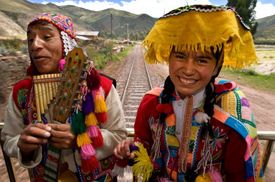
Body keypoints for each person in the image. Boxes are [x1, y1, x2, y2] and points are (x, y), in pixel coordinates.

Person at [114, 5, 263, 182]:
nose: (188, 70)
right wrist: (130, 150)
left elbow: (241, 176)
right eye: (180, 56)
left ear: (217, 65)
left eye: (202, 60)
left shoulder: (234, 116)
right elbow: (144, 146)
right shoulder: (151, 103)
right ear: (169, 58)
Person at [1, 12, 127, 181]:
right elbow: (9, 139)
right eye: (30, 39)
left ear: (66, 43)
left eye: (46, 37)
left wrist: (81, 138)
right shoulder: (21, 93)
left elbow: (118, 135)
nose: (35, 45)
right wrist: (22, 146)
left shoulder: (100, 87)